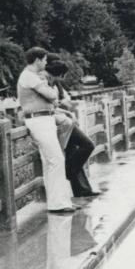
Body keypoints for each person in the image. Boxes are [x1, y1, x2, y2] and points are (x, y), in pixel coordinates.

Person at [17, 47, 78, 214]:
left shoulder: (34, 76)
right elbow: (52, 95)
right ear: (37, 60)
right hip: (38, 120)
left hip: (45, 119)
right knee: (56, 160)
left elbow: (53, 96)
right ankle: (58, 203)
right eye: (44, 60)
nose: (46, 62)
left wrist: (53, 95)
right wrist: (52, 93)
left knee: (50, 161)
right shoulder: (29, 77)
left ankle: (58, 202)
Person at [45, 59, 100, 198]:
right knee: (87, 145)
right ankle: (68, 171)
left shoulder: (55, 84)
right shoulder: (44, 83)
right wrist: (67, 111)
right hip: (59, 123)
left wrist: (68, 108)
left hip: (65, 121)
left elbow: (64, 101)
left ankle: (82, 190)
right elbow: (51, 106)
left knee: (73, 153)